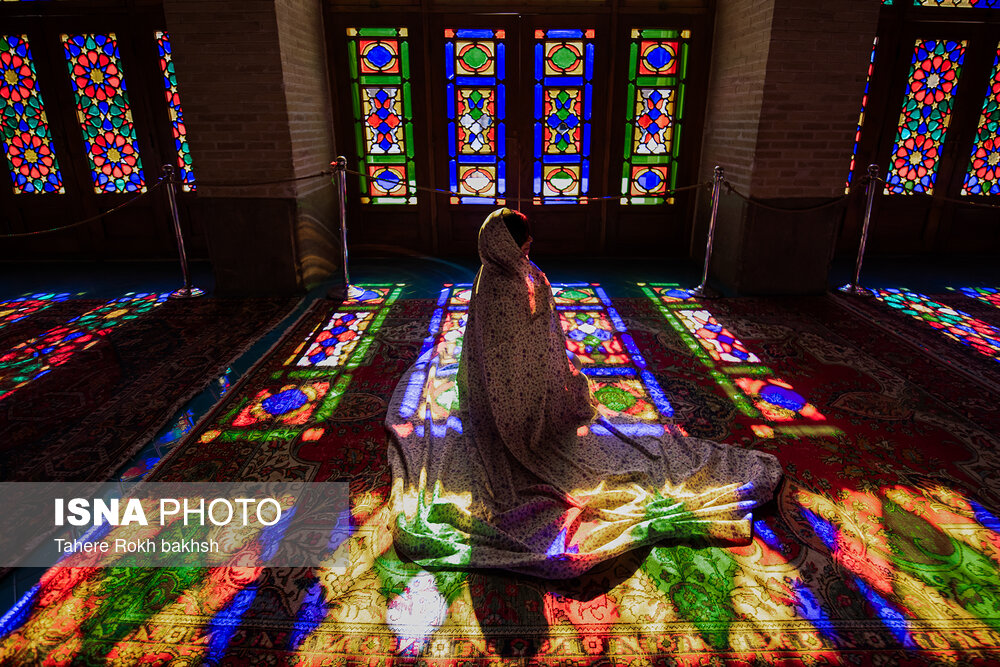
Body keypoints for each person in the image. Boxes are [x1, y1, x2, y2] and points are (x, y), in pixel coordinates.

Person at [385, 208, 782, 578]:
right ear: (513, 246)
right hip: (532, 405)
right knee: (607, 454)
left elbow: (492, 353)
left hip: (487, 406)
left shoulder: (486, 276)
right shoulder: (524, 279)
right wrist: (564, 388)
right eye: (525, 244)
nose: (529, 249)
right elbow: (545, 347)